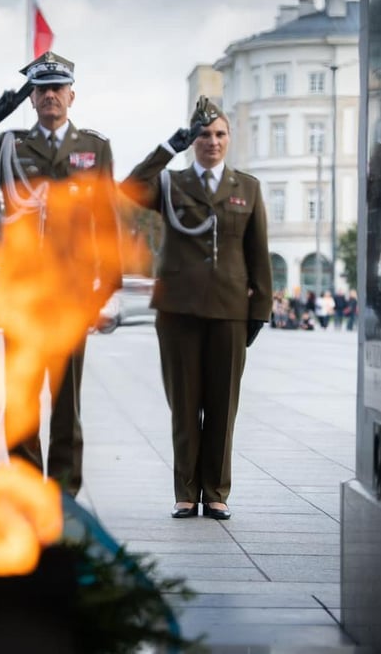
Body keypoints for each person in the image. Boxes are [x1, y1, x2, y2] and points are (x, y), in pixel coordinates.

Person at [0, 51, 122, 497]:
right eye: (41, 90)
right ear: (32, 97)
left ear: (71, 96)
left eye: (57, 89)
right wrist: (2, 107)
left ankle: (63, 493)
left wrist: (107, 293)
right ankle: (24, 486)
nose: (50, 97)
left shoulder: (93, 148)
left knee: (67, 401)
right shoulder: (9, 144)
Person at [119, 97, 271, 521]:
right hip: (178, 310)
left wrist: (259, 310)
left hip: (229, 309)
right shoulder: (171, 183)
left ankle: (216, 491)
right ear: (192, 140)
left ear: (230, 138)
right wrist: (169, 146)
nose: (212, 142)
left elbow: (257, 252)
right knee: (185, 405)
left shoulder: (248, 187)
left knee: (223, 407)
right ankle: (186, 492)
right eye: (203, 135)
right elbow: (129, 187)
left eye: (220, 134)